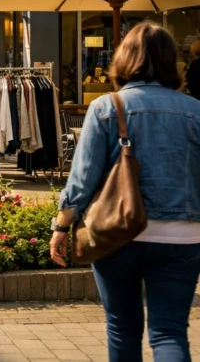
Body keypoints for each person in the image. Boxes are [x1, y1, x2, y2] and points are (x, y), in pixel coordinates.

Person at [52, 23, 200, 360]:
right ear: (171, 61)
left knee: (122, 326)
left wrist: (62, 225)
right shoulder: (195, 111)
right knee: (170, 332)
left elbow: (83, 177)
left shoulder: (106, 107)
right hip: (183, 235)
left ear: (123, 59)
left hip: (116, 231)